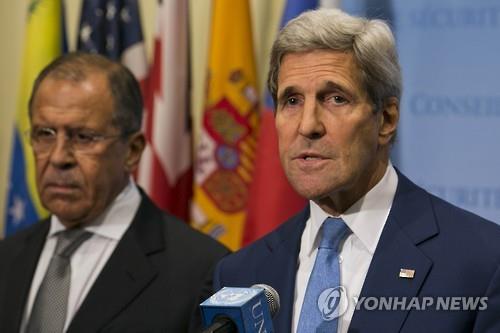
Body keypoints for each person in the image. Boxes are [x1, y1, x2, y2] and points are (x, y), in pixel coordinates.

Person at [212, 8, 500, 333]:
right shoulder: (240, 274)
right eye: (291, 101)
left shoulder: (482, 262)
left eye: (336, 98)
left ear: (386, 119)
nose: (307, 125)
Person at [0, 52, 229, 332]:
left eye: (83, 137)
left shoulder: (203, 270)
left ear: (132, 152)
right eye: (45, 134)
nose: (58, 157)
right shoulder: (7, 257)